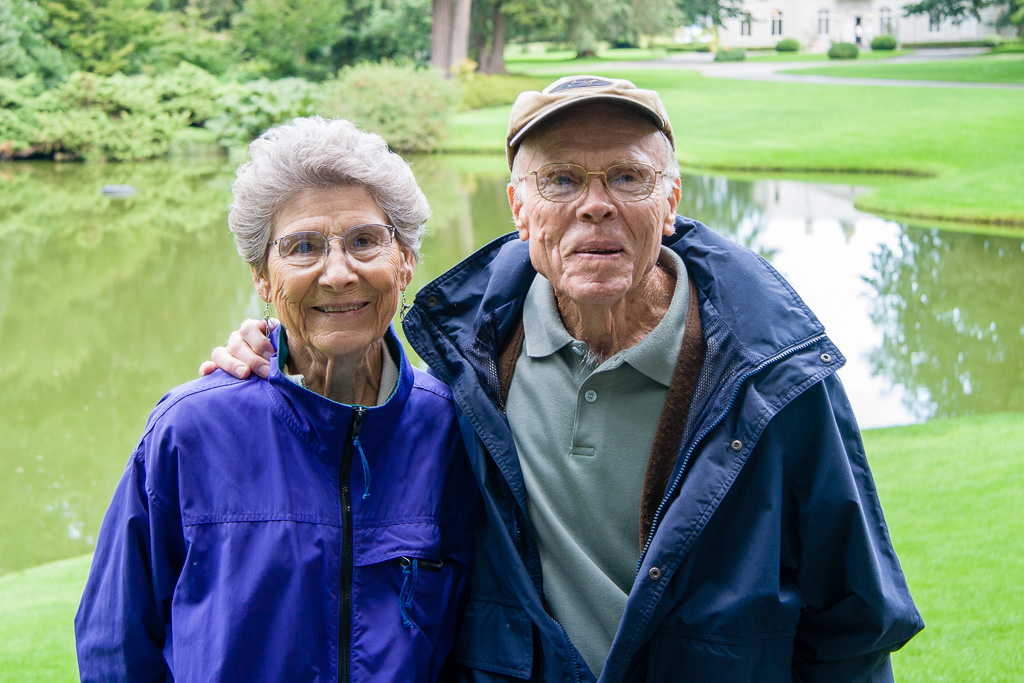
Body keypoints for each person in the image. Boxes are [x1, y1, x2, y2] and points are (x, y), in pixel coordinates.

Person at [206, 77, 923, 681]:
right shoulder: (469, 366)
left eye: (627, 176)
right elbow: (357, 418)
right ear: (520, 210)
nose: (595, 204)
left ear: (671, 201)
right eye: (561, 180)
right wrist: (278, 352)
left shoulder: (775, 382)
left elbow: (853, 627)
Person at [76, 116, 477, 682]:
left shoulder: (455, 429)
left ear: (405, 260)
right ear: (263, 278)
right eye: (302, 247)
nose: (338, 274)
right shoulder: (189, 430)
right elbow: (115, 648)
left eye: (365, 241)